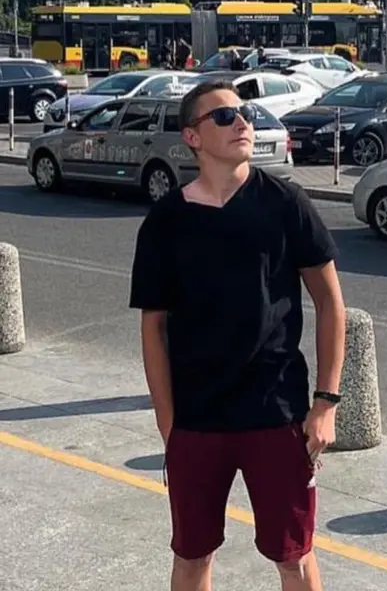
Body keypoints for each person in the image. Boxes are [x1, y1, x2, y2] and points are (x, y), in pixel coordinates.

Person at [129, 80, 346, 591]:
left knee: (294, 556)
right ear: (192, 137)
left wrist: (326, 403)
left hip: (276, 412)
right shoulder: (166, 221)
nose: (242, 122)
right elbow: (153, 326)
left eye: (245, 113)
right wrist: (168, 423)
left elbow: (330, 303)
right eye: (224, 117)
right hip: (197, 418)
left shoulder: (286, 203)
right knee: (192, 556)